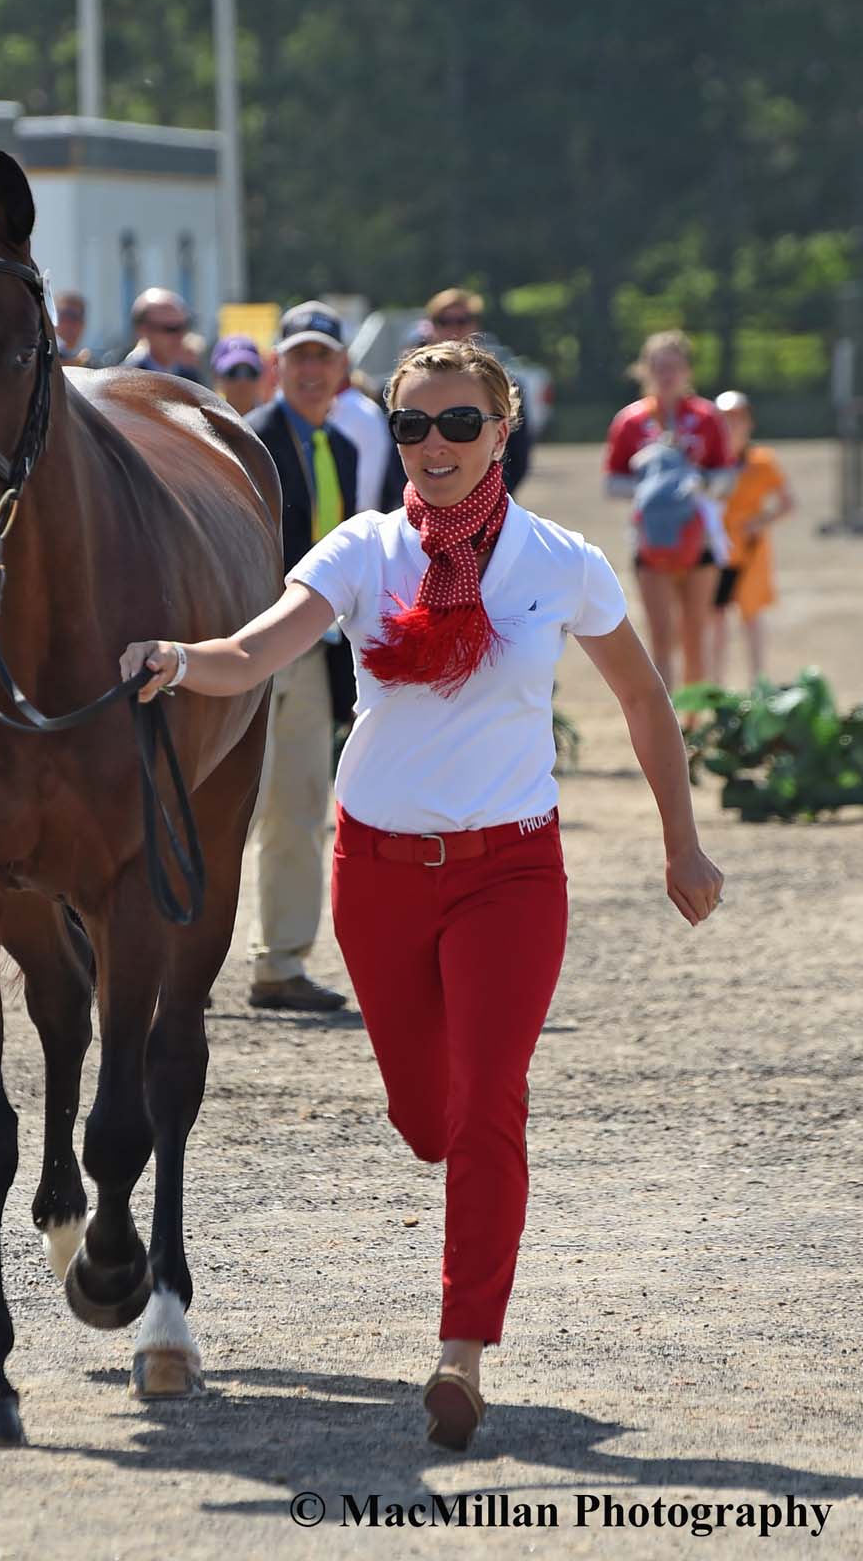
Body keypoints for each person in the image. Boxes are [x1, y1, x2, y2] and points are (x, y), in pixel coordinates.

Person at [121, 339, 723, 1451]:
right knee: (425, 1116)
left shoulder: (560, 560)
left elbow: (644, 701)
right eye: (411, 426)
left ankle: (462, 1353)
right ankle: (445, 1156)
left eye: (457, 425)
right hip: (381, 877)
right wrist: (176, 655)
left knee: (491, 1100)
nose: (433, 446)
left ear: (502, 432)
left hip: (514, 874)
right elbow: (254, 655)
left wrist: (681, 845)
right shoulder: (362, 551)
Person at [243, 301, 358, 1013]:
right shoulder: (250, 439)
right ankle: (167, 959)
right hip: (252, 644)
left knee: (300, 806)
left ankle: (280, 963)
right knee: (225, 808)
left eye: (324, 357)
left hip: (317, 649)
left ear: (342, 369)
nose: (312, 369)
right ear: (277, 365)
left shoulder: (341, 446)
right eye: (300, 357)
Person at [605, 330, 733, 693]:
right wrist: (653, 485)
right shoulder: (630, 421)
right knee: (661, 636)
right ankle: (669, 720)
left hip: (699, 535)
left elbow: (727, 475)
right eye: (658, 366)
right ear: (644, 370)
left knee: (696, 631)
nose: (666, 374)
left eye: (674, 366)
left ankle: (696, 721)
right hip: (651, 537)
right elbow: (611, 483)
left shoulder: (706, 416)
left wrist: (694, 481)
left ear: (687, 370)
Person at [709, 390, 795, 685]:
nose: (731, 425)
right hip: (717, 553)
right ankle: (715, 687)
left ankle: (758, 684)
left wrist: (760, 521)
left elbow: (788, 503)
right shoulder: (709, 462)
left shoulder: (762, 462)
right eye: (724, 419)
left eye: (737, 418)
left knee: (752, 617)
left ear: (749, 422)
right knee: (716, 622)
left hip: (750, 552)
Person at [425, 288, 533, 495]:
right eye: (443, 321)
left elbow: (518, 456)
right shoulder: (406, 386)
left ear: (475, 325)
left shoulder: (505, 385)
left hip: (491, 503)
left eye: (462, 320)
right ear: (431, 326)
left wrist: (487, 496)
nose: (454, 328)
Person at [328, 354, 394, 513]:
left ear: (343, 362)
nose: (312, 367)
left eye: (324, 356)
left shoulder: (361, 412)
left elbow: (364, 501)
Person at [121, 288, 200, 382]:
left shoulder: (189, 375)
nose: (180, 335)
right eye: (170, 329)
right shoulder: (126, 380)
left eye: (184, 325)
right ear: (142, 330)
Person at [211, 334, 264, 416]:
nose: (242, 381)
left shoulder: (279, 423)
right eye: (233, 372)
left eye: (250, 372)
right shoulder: (206, 422)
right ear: (216, 377)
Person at [54, 289, 91, 365]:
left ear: (82, 324)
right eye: (64, 316)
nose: (69, 324)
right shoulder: (44, 353)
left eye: (75, 317)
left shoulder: (86, 358)